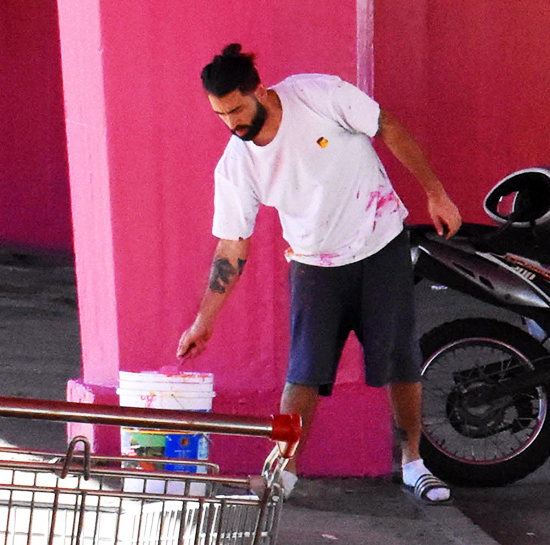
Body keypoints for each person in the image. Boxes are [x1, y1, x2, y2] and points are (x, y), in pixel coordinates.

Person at [178, 43, 461, 502]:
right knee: (304, 374)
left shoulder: (318, 95)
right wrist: (203, 320)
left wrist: (435, 192)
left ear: (261, 92)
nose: (231, 123)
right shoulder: (236, 163)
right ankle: (283, 475)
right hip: (314, 265)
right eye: (220, 115)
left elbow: (385, 125)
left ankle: (414, 462)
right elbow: (232, 244)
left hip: (380, 243)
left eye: (235, 110)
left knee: (400, 363)